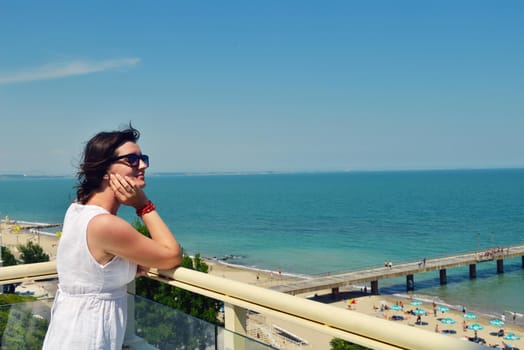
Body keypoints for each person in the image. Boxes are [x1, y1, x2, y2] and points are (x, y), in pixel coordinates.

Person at [43, 125, 183, 349]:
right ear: (106, 171)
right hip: (89, 336)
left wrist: (127, 263)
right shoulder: (105, 224)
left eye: (143, 158)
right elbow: (172, 256)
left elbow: (92, 268)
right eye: (132, 160)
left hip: (69, 329)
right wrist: (143, 205)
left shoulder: (78, 210)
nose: (143, 165)